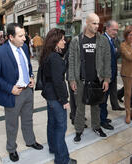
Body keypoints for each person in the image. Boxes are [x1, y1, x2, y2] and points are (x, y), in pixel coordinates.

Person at [0, 23, 43, 162]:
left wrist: (31, 77)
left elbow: (28, 66)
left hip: (27, 91)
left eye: (24, 35)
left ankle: (30, 141)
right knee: (12, 124)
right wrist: (10, 88)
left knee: (28, 119)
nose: (24, 38)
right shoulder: (0, 52)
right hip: (13, 94)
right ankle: (11, 149)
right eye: (20, 36)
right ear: (10, 37)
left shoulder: (24, 47)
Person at [68, 13, 111, 142]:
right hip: (81, 79)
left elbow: (107, 60)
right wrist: (71, 79)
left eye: (98, 23)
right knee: (79, 107)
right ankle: (79, 130)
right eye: (94, 23)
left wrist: (107, 79)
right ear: (87, 23)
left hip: (97, 79)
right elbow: (71, 61)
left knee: (96, 106)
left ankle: (96, 127)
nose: (97, 26)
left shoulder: (103, 40)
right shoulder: (76, 40)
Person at [40, 28, 77, 164]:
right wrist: (64, 100)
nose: (64, 41)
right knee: (61, 127)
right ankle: (62, 159)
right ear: (55, 42)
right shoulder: (54, 58)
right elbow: (58, 81)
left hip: (49, 94)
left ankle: (53, 148)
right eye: (62, 39)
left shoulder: (48, 54)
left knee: (52, 123)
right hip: (55, 97)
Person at [99, 20, 124, 131]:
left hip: (112, 75)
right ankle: (102, 121)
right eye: (114, 30)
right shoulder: (102, 40)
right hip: (105, 77)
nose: (116, 32)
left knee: (105, 98)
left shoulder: (112, 40)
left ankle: (103, 117)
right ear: (107, 28)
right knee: (103, 100)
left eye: (117, 30)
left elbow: (113, 57)